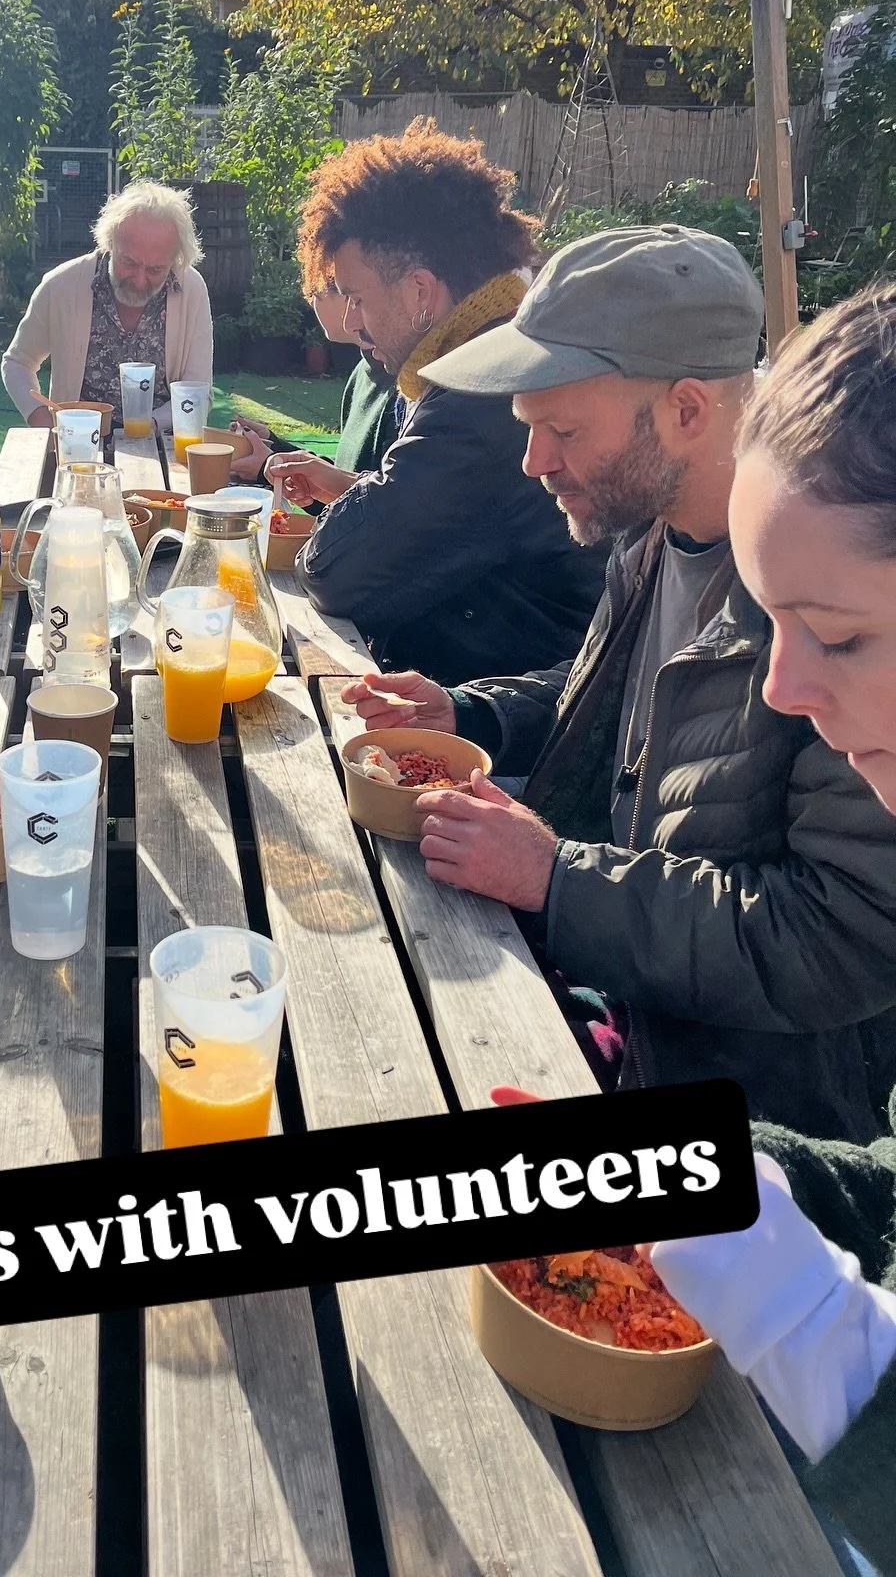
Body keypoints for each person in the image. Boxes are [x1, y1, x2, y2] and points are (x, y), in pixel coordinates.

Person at [496, 287, 896, 1576]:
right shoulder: (649, 558)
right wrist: (711, 1177)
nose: (785, 684)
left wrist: (798, 1312)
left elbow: (831, 937)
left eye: (834, 635)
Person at [347, 228, 896, 1141]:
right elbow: (613, 692)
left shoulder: (839, 610)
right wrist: (469, 710)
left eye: (563, 430)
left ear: (687, 410)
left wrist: (558, 881)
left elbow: (837, 936)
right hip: (619, 1020)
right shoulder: (650, 534)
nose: (535, 463)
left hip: (756, 1130)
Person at [266, 122, 606, 682]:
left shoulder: (482, 392)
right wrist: (354, 489)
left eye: (354, 296)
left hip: (501, 729)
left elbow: (336, 573)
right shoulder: (497, 346)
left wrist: (351, 511)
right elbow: (453, 512)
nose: (350, 323)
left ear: (420, 292)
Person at [1, 180, 213, 432]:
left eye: (156, 269)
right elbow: (18, 361)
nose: (139, 280)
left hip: (162, 444)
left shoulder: (192, 290)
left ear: (175, 259)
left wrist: (147, 428)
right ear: (110, 241)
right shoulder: (61, 286)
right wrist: (37, 414)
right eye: (129, 262)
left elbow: (198, 391)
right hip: (76, 444)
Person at [229, 279, 401, 484]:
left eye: (315, 294)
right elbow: (344, 476)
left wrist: (271, 468)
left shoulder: (406, 387)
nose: (311, 303)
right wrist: (275, 448)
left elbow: (380, 504)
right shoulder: (364, 370)